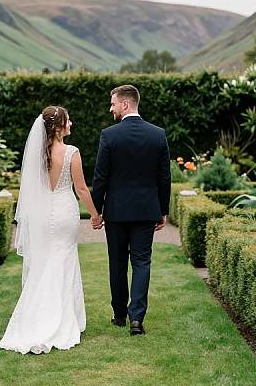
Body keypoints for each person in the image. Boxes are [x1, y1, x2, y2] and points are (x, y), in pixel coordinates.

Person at [0, 106, 102, 354]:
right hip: (64, 212)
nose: (72, 123)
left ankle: (37, 316)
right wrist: (96, 215)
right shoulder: (71, 152)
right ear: (58, 126)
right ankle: (60, 319)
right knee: (63, 259)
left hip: (42, 215)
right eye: (68, 120)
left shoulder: (38, 154)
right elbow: (82, 189)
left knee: (45, 262)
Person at [92, 85, 171, 336]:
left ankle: (119, 315)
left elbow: (100, 177)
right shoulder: (158, 134)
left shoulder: (109, 135)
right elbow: (164, 177)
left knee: (117, 263)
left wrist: (97, 210)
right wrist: (163, 210)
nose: (110, 108)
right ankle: (137, 319)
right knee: (141, 262)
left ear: (125, 104)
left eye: (113, 103)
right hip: (146, 210)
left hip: (116, 212)